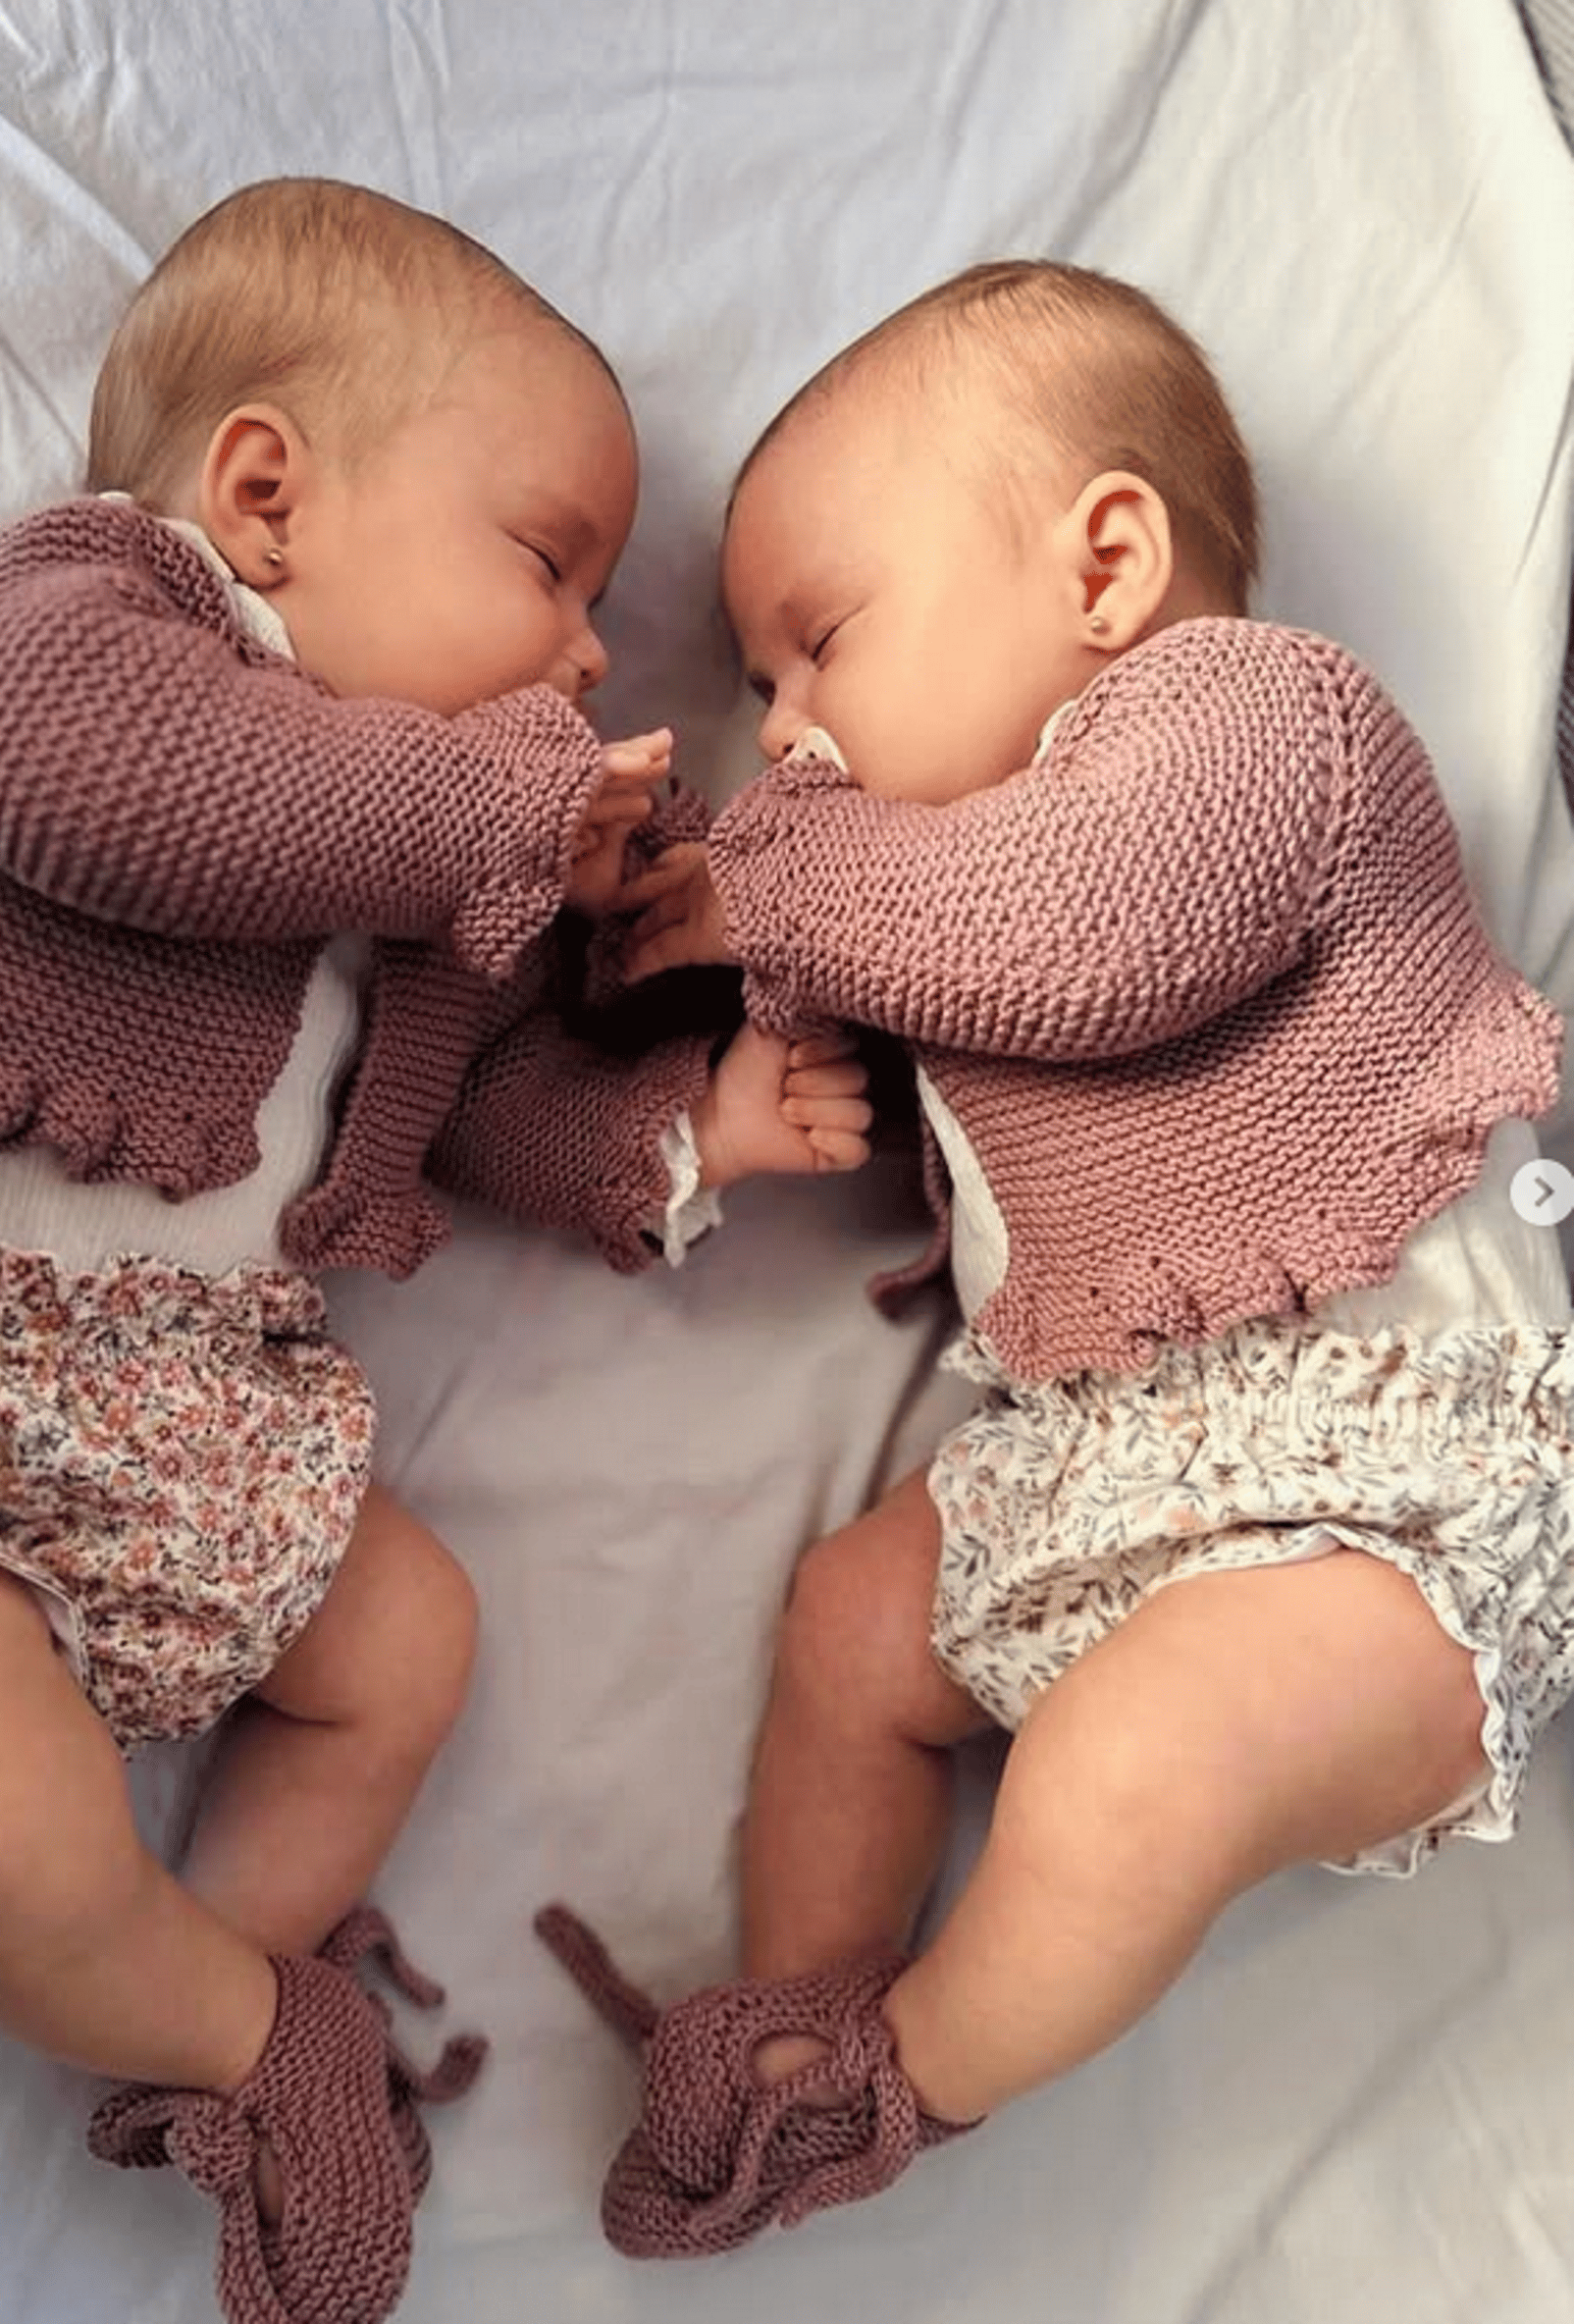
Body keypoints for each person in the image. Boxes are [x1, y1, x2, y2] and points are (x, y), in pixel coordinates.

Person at [0, 178, 871, 2324]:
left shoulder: (410, 875)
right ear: (262, 493)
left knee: (404, 1644)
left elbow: (463, 1115)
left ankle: (223, 2002)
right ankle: (243, 2030)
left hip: (178, 1415)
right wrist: (477, 815)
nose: (594, 655)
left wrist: (675, 1126)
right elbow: (70, 780)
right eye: (549, 563)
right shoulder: (66, 617)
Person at [538, 258, 1574, 2255]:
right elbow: (743, 1012)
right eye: (761, 693)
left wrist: (758, 879)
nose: (787, 733)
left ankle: (907, 2072)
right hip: (1104, 1464)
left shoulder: (1263, 722)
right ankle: (798, 2008)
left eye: (817, 644)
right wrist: (623, 940)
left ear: (1105, 563)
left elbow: (1093, 934)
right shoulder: (903, 893)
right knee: (854, 1622)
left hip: (1397, 1490)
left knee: (1124, 1765)